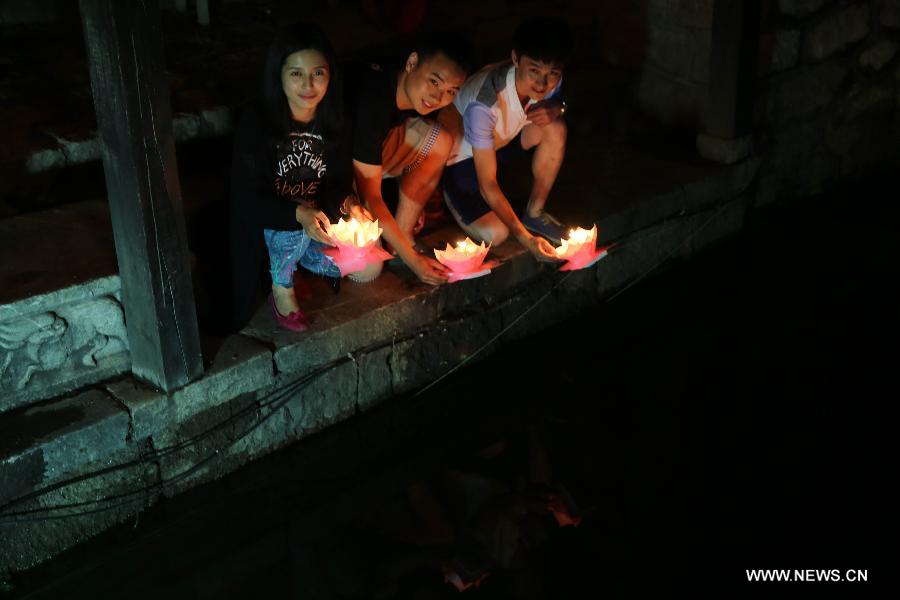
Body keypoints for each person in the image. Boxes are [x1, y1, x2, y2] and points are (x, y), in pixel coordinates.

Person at [229, 23, 360, 332]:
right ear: (279, 75)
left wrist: (350, 205)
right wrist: (298, 212)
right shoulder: (257, 122)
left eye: (318, 73)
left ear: (330, 74)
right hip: (272, 223)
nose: (308, 85)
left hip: (314, 222)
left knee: (366, 266)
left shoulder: (334, 119)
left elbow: (338, 180)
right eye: (296, 73)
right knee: (297, 227)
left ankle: (300, 266)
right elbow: (246, 197)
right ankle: (282, 287)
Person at [438, 16, 573, 261]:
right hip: (463, 161)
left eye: (552, 73)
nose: (543, 83)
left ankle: (534, 212)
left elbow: (556, 100)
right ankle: (446, 190)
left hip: (502, 142)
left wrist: (558, 107)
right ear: (515, 59)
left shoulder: (552, 80)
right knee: (497, 234)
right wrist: (527, 240)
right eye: (534, 71)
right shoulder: (485, 103)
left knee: (555, 127)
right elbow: (487, 183)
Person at [350, 33, 473, 286]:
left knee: (440, 140)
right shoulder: (373, 99)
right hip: (334, 179)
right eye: (434, 82)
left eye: (451, 91)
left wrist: (422, 197)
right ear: (412, 62)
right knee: (368, 268)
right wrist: (413, 262)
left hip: (372, 157)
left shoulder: (411, 92)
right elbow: (370, 197)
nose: (438, 98)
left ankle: (402, 238)